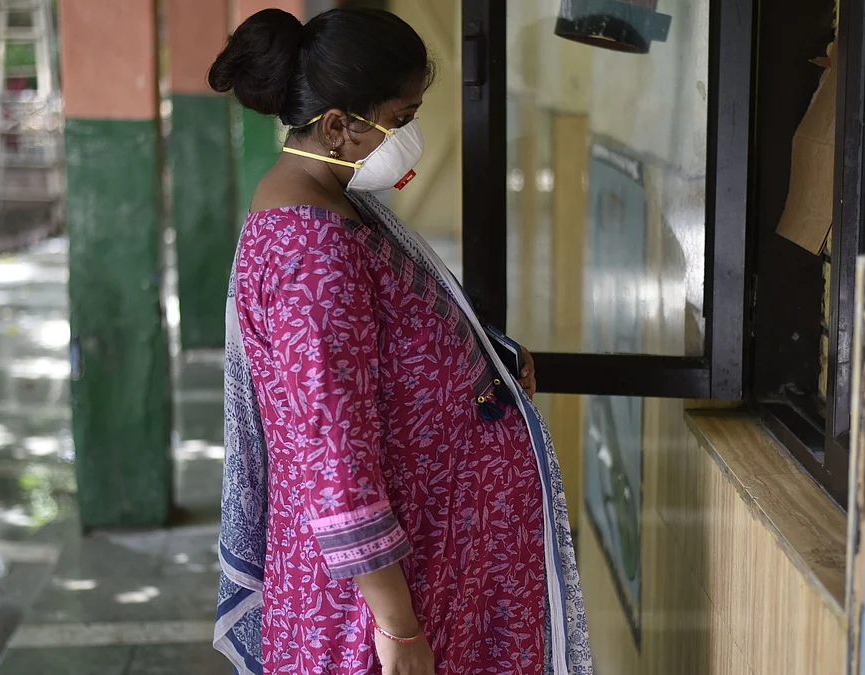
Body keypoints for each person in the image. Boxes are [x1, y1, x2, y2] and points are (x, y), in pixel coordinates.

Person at [208, 8, 592, 675]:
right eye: (402, 117)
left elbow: (387, 348)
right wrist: (399, 628)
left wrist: (483, 358)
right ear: (337, 126)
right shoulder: (312, 253)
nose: (411, 136)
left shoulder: (334, 208)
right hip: (373, 611)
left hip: (425, 576)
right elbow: (336, 458)